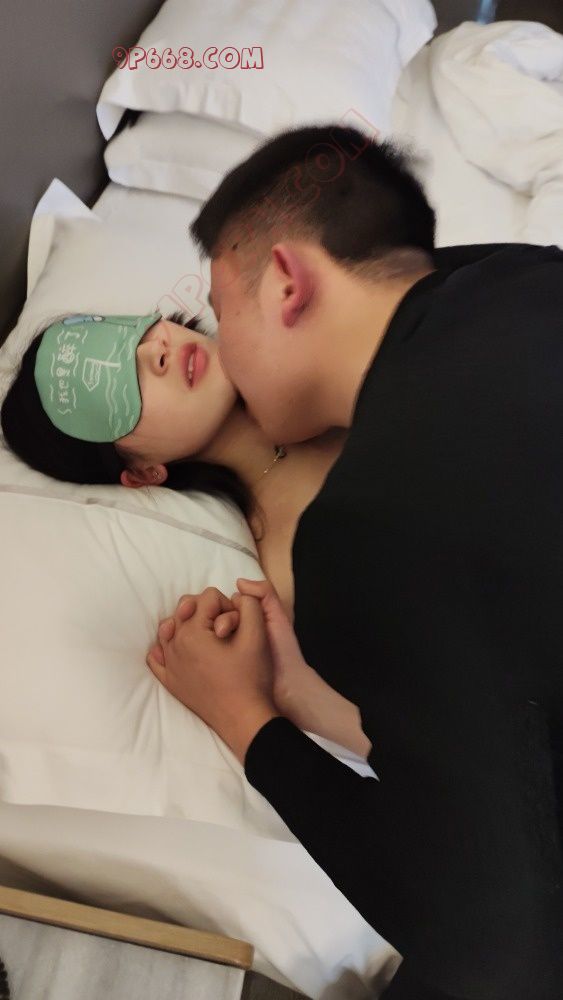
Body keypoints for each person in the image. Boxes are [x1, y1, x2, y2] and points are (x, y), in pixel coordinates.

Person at [145, 125, 563, 1000]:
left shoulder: (362, 534)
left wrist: (249, 722)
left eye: (221, 311)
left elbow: (491, 939)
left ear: (287, 283)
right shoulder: (527, 277)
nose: (215, 348)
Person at [0, 308, 373, 758]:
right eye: (122, 388)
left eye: (134, 334)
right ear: (142, 473)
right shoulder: (296, 565)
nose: (155, 351)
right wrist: (292, 693)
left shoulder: (333, 335)